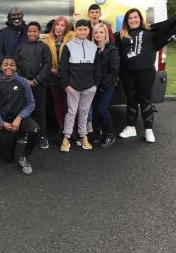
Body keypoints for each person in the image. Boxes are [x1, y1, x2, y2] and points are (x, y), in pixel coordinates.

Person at [115, 8, 176, 143]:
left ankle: (148, 130)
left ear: (140, 18)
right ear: (126, 21)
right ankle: (130, 127)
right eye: (130, 18)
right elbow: (106, 41)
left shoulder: (150, 31)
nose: (133, 20)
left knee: (145, 100)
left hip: (146, 72)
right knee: (131, 99)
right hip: (127, 72)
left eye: (136, 17)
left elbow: (169, 25)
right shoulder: (121, 35)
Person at [0, 57, 40, 175]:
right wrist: (1, 123)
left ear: (15, 67)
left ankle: (25, 156)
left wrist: (20, 117)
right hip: (4, 122)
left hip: (20, 118)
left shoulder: (23, 82)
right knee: (8, 159)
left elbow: (31, 103)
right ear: (1, 67)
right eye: (5, 65)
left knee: (35, 130)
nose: (8, 67)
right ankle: (6, 138)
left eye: (12, 65)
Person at [59, 19, 100, 152]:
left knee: (84, 112)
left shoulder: (94, 47)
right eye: (79, 29)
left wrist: (95, 84)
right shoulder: (68, 46)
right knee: (71, 112)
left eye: (85, 29)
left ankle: (83, 136)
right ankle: (66, 137)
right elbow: (63, 68)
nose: (82, 31)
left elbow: (97, 68)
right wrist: (66, 84)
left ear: (89, 31)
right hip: (73, 86)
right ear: (75, 30)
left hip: (89, 86)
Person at [15, 22, 51, 149]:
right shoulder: (20, 47)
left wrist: (36, 80)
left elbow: (47, 65)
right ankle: (25, 134)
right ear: (27, 32)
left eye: (35, 31)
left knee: (39, 110)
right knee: (25, 110)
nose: (32, 33)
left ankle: (42, 136)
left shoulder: (44, 47)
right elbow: (16, 65)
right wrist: (23, 80)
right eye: (30, 31)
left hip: (39, 85)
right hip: (24, 84)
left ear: (39, 33)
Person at [43, 16, 75, 134]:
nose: (59, 27)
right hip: (53, 76)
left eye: (62, 25)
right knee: (58, 103)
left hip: (68, 76)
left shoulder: (72, 37)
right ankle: (61, 127)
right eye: (57, 24)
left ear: (66, 27)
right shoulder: (47, 39)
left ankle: (71, 129)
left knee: (70, 104)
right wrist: (51, 70)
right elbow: (45, 57)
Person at [92, 23, 120, 147]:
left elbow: (114, 70)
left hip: (107, 85)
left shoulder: (111, 49)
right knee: (95, 111)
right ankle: (97, 134)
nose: (98, 34)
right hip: (94, 85)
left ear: (106, 34)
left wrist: (104, 85)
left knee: (103, 109)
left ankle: (109, 135)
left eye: (101, 32)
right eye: (96, 32)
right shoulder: (92, 49)